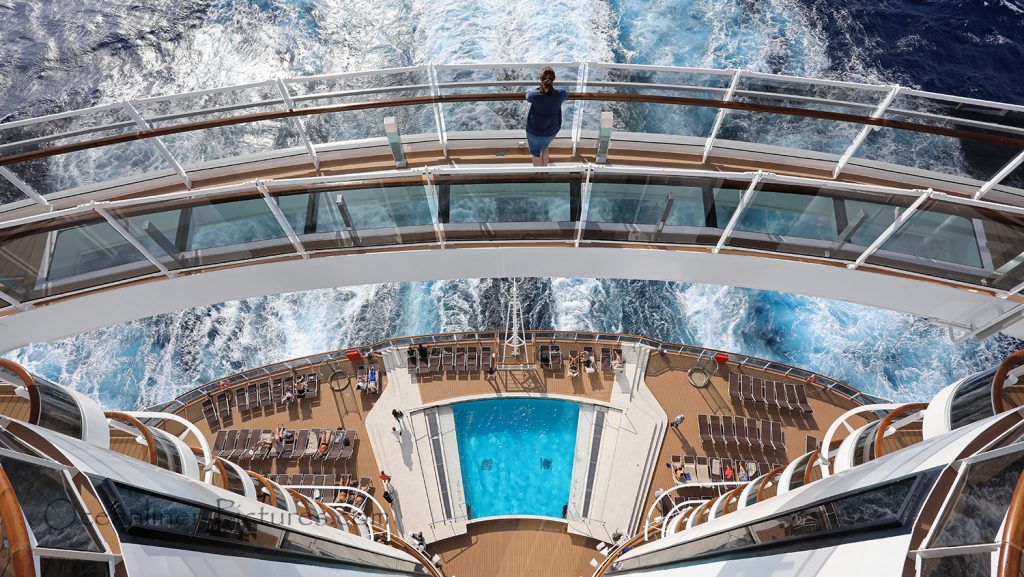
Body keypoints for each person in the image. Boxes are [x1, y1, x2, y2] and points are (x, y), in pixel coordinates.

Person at [524, 66, 569, 167]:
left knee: (536, 153)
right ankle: (545, 170)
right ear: (553, 79)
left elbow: (527, 96)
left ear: (541, 79)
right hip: (551, 131)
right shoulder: (560, 94)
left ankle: (538, 175)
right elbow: (566, 93)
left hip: (534, 132)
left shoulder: (534, 95)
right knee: (545, 148)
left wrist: (539, 88)